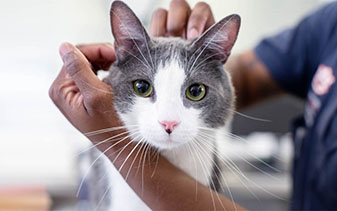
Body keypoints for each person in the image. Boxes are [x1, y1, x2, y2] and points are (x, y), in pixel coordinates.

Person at [49, 0, 337, 210]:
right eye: (143, 88)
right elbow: (247, 75)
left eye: (195, 92)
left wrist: (115, 145)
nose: (168, 120)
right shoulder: (329, 23)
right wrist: (199, 53)